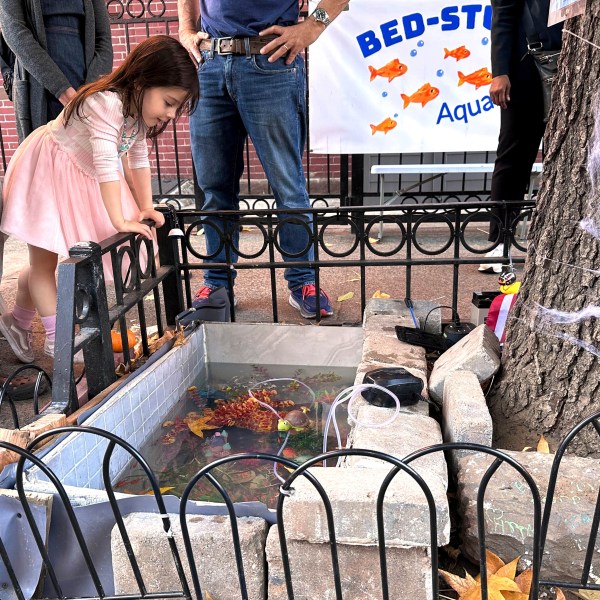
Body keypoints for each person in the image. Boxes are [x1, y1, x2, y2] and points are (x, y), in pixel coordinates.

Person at [0, 35, 200, 363]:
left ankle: (17, 322)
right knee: (45, 265)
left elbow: (138, 160)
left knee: (48, 263)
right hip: (49, 170)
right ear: (141, 81)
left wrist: (145, 205)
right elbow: (108, 165)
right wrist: (120, 219)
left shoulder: (136, 115)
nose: (171, 114)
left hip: (78, 175)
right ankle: (58, 340)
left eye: (177, 107)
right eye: (169, 102)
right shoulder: (106, 103)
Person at [178, 0, 348, 319]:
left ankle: (303, 283)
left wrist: (313, 26)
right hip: (209, 63)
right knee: (214, 188)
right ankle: (217, 287)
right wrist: (186, 30)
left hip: (269, 61)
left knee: (288, 186)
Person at [478, 0, 562, 273]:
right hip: (526, 65)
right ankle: (499, 243)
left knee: (566, 156)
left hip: (570, 62)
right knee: (514, 155)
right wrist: (500, 72)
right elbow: (502, 16)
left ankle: (557, 243)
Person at [0, 0, 114, 143]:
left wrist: (89, 92)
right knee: (45, 158)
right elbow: (14, 32)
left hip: (85, 87)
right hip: (40, 89)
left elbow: (104, 41)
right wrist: (62, 90)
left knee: (89, 158)